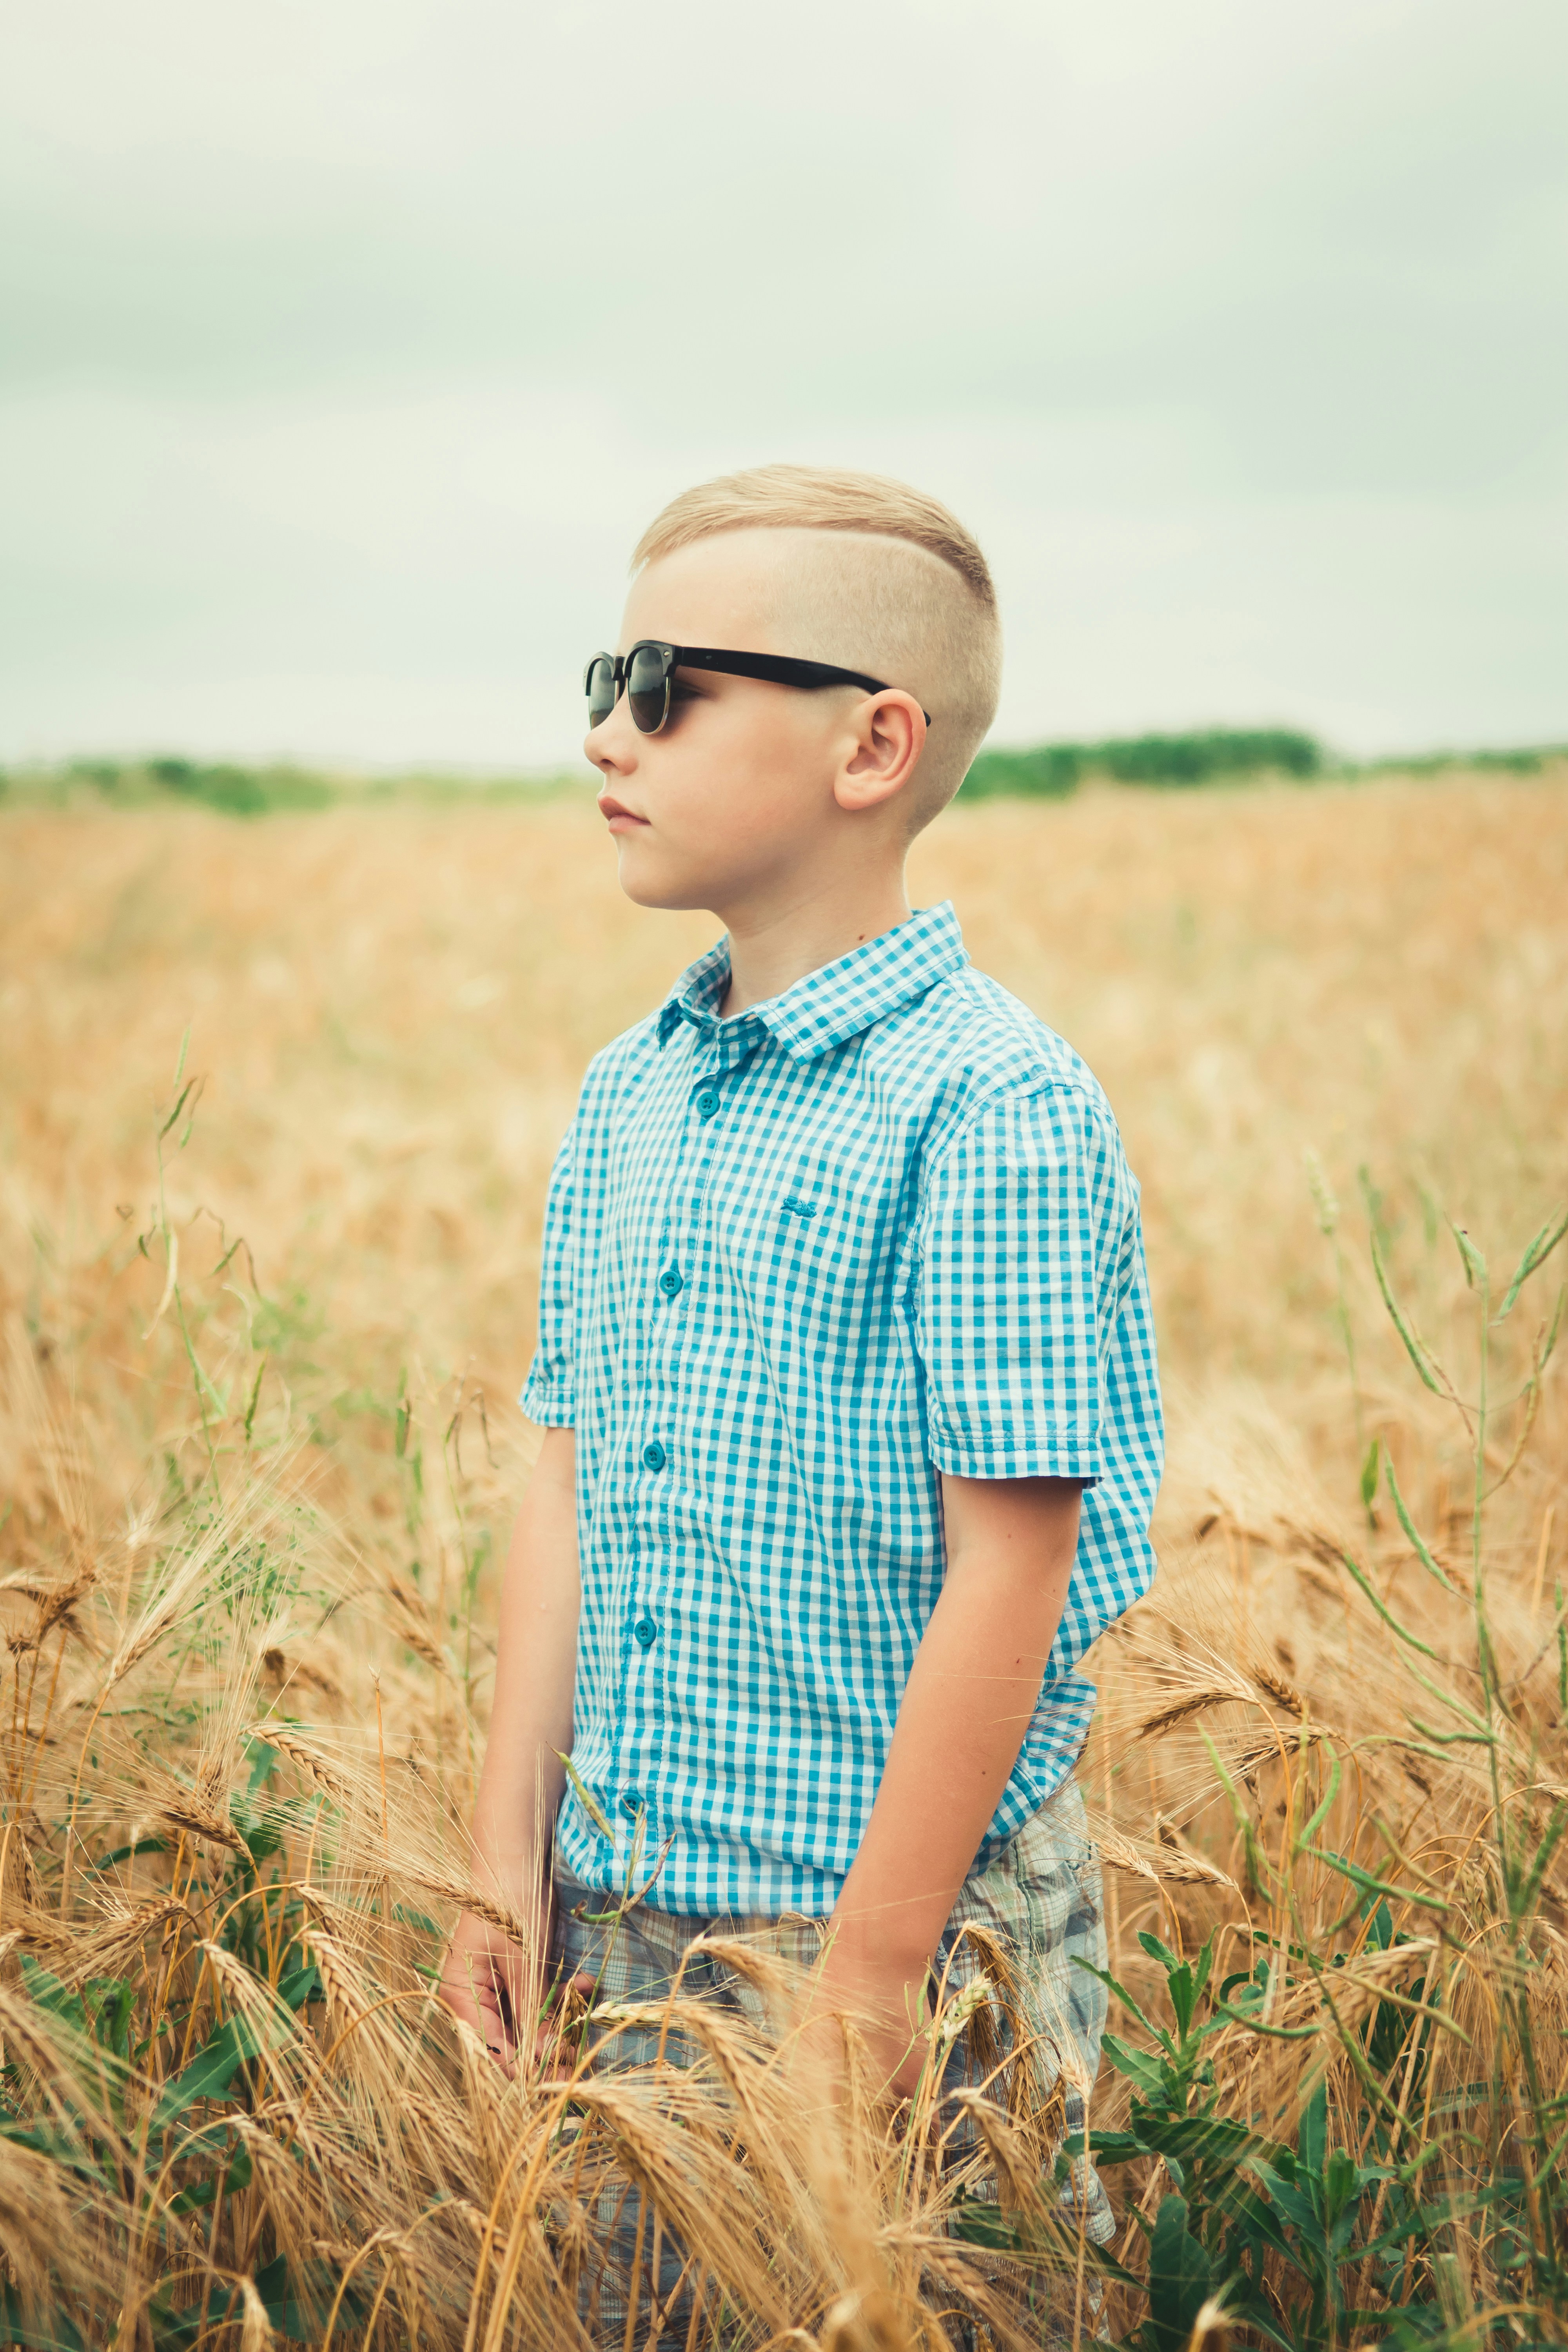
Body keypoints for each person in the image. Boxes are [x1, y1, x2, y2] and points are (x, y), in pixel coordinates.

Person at [439, 463, 1163, 2334]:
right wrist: (499, 1870)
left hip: (896, 1936)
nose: (608, 727)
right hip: (618, 1918)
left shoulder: (990, 1107)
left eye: (668, 683)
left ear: (873, 746)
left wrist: (869, 1976)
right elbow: (566, 1471)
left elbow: (1009, 1573)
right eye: (603, 673)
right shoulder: (628, 1093)